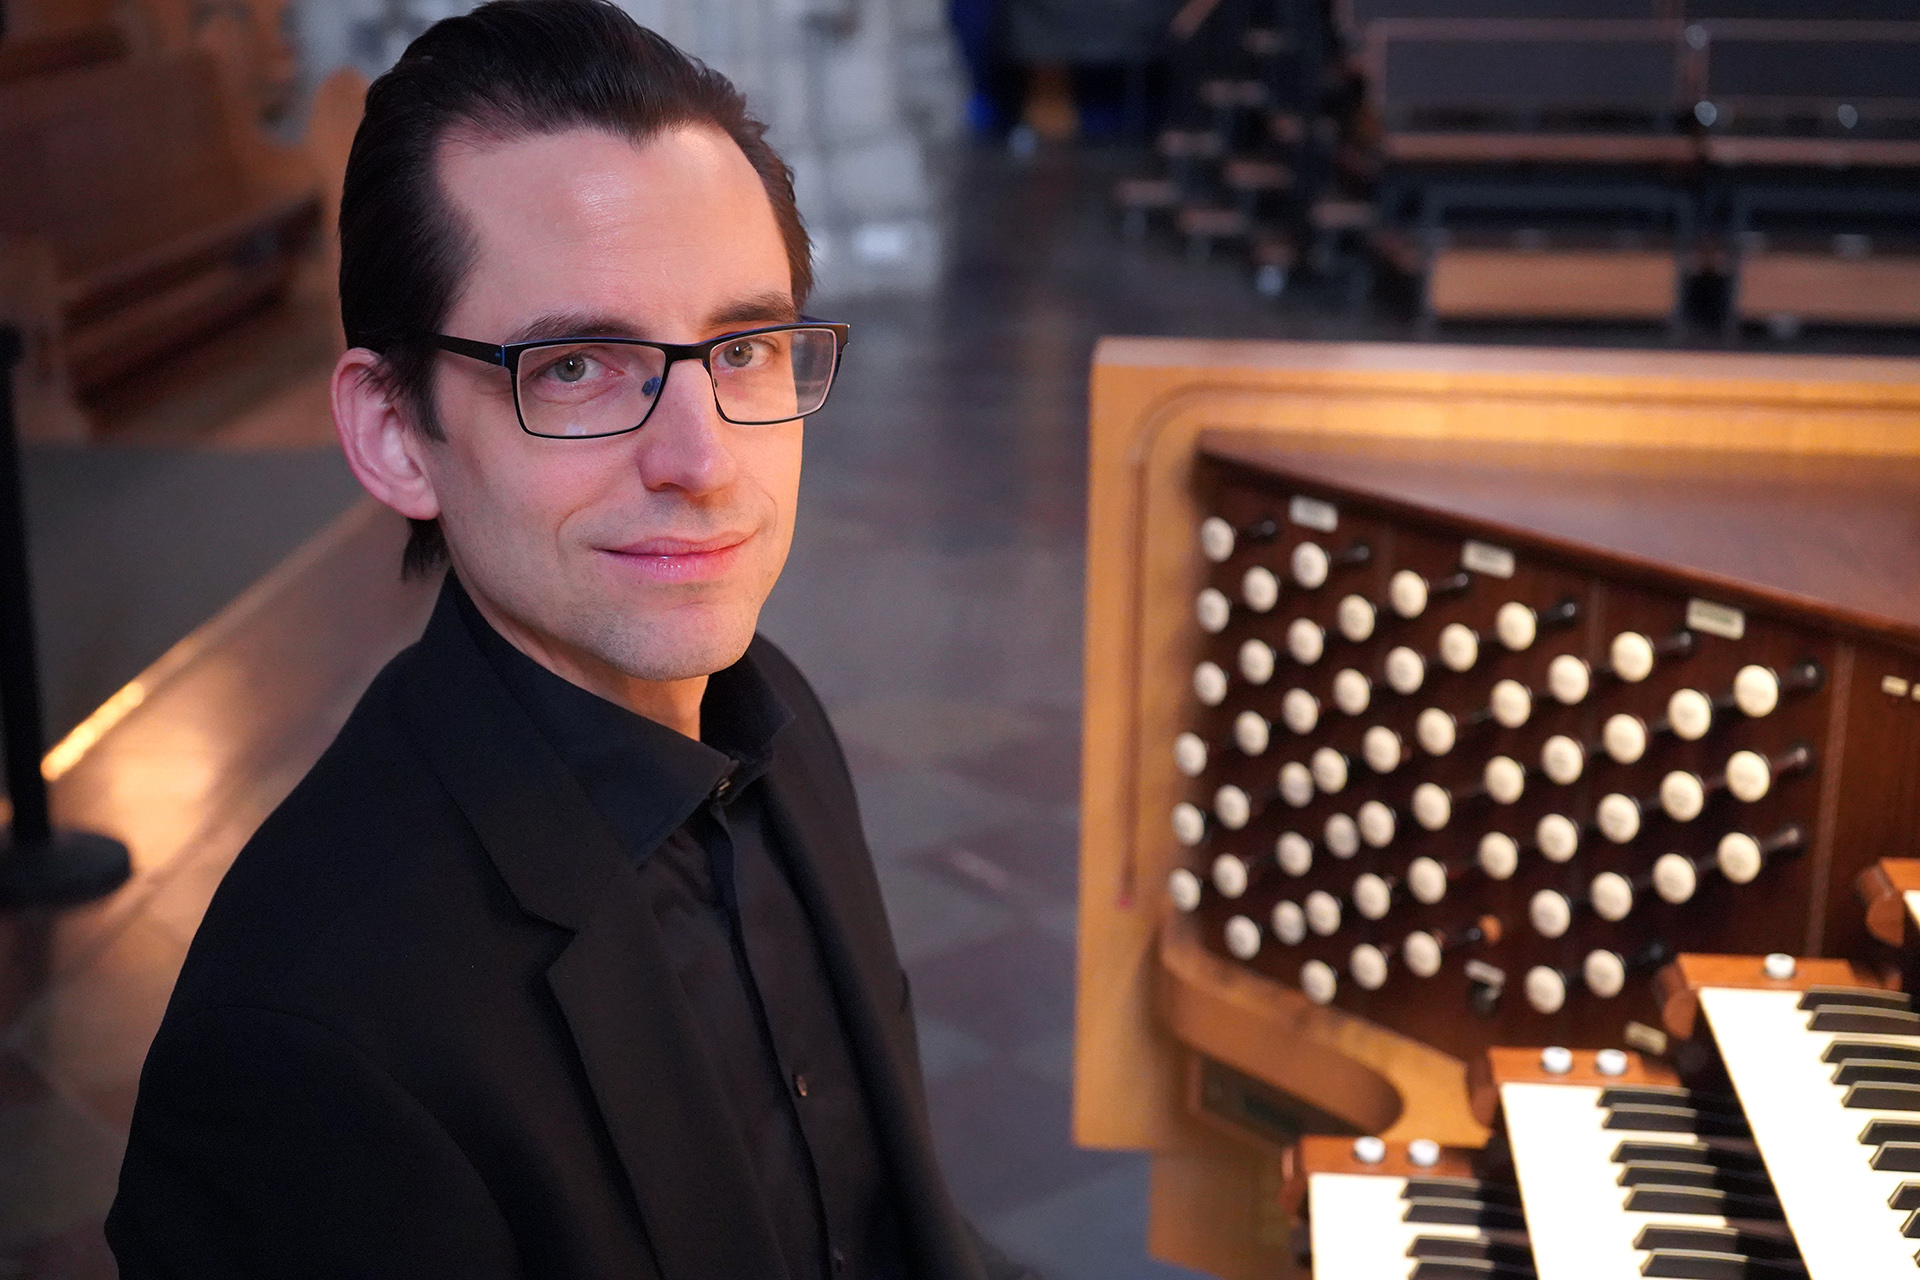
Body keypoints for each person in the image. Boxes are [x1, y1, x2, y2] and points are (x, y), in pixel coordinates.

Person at [105, 4, 1036, 1277]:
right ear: (394, 429)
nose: (702, 461)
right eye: (579, 369)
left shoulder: (776, 716)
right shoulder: (304, 1043)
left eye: (745, 348)